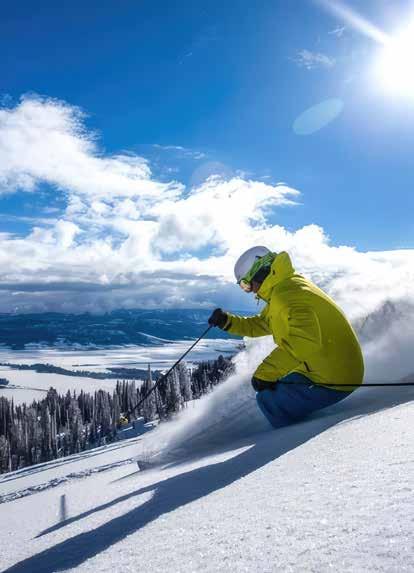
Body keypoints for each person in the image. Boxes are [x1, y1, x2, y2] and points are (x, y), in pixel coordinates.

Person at [208, 246, 364, 429]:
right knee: (274, 387)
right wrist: (228, 322)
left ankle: (290, 439)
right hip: (323, 367)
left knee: (268, 400)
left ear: (259, 273)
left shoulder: (289, 296)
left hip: (336, 378)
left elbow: (303, 342)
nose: (249, 291)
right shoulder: (286, 287)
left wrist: (265, 373)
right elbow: (263, 323)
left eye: (246, 284)